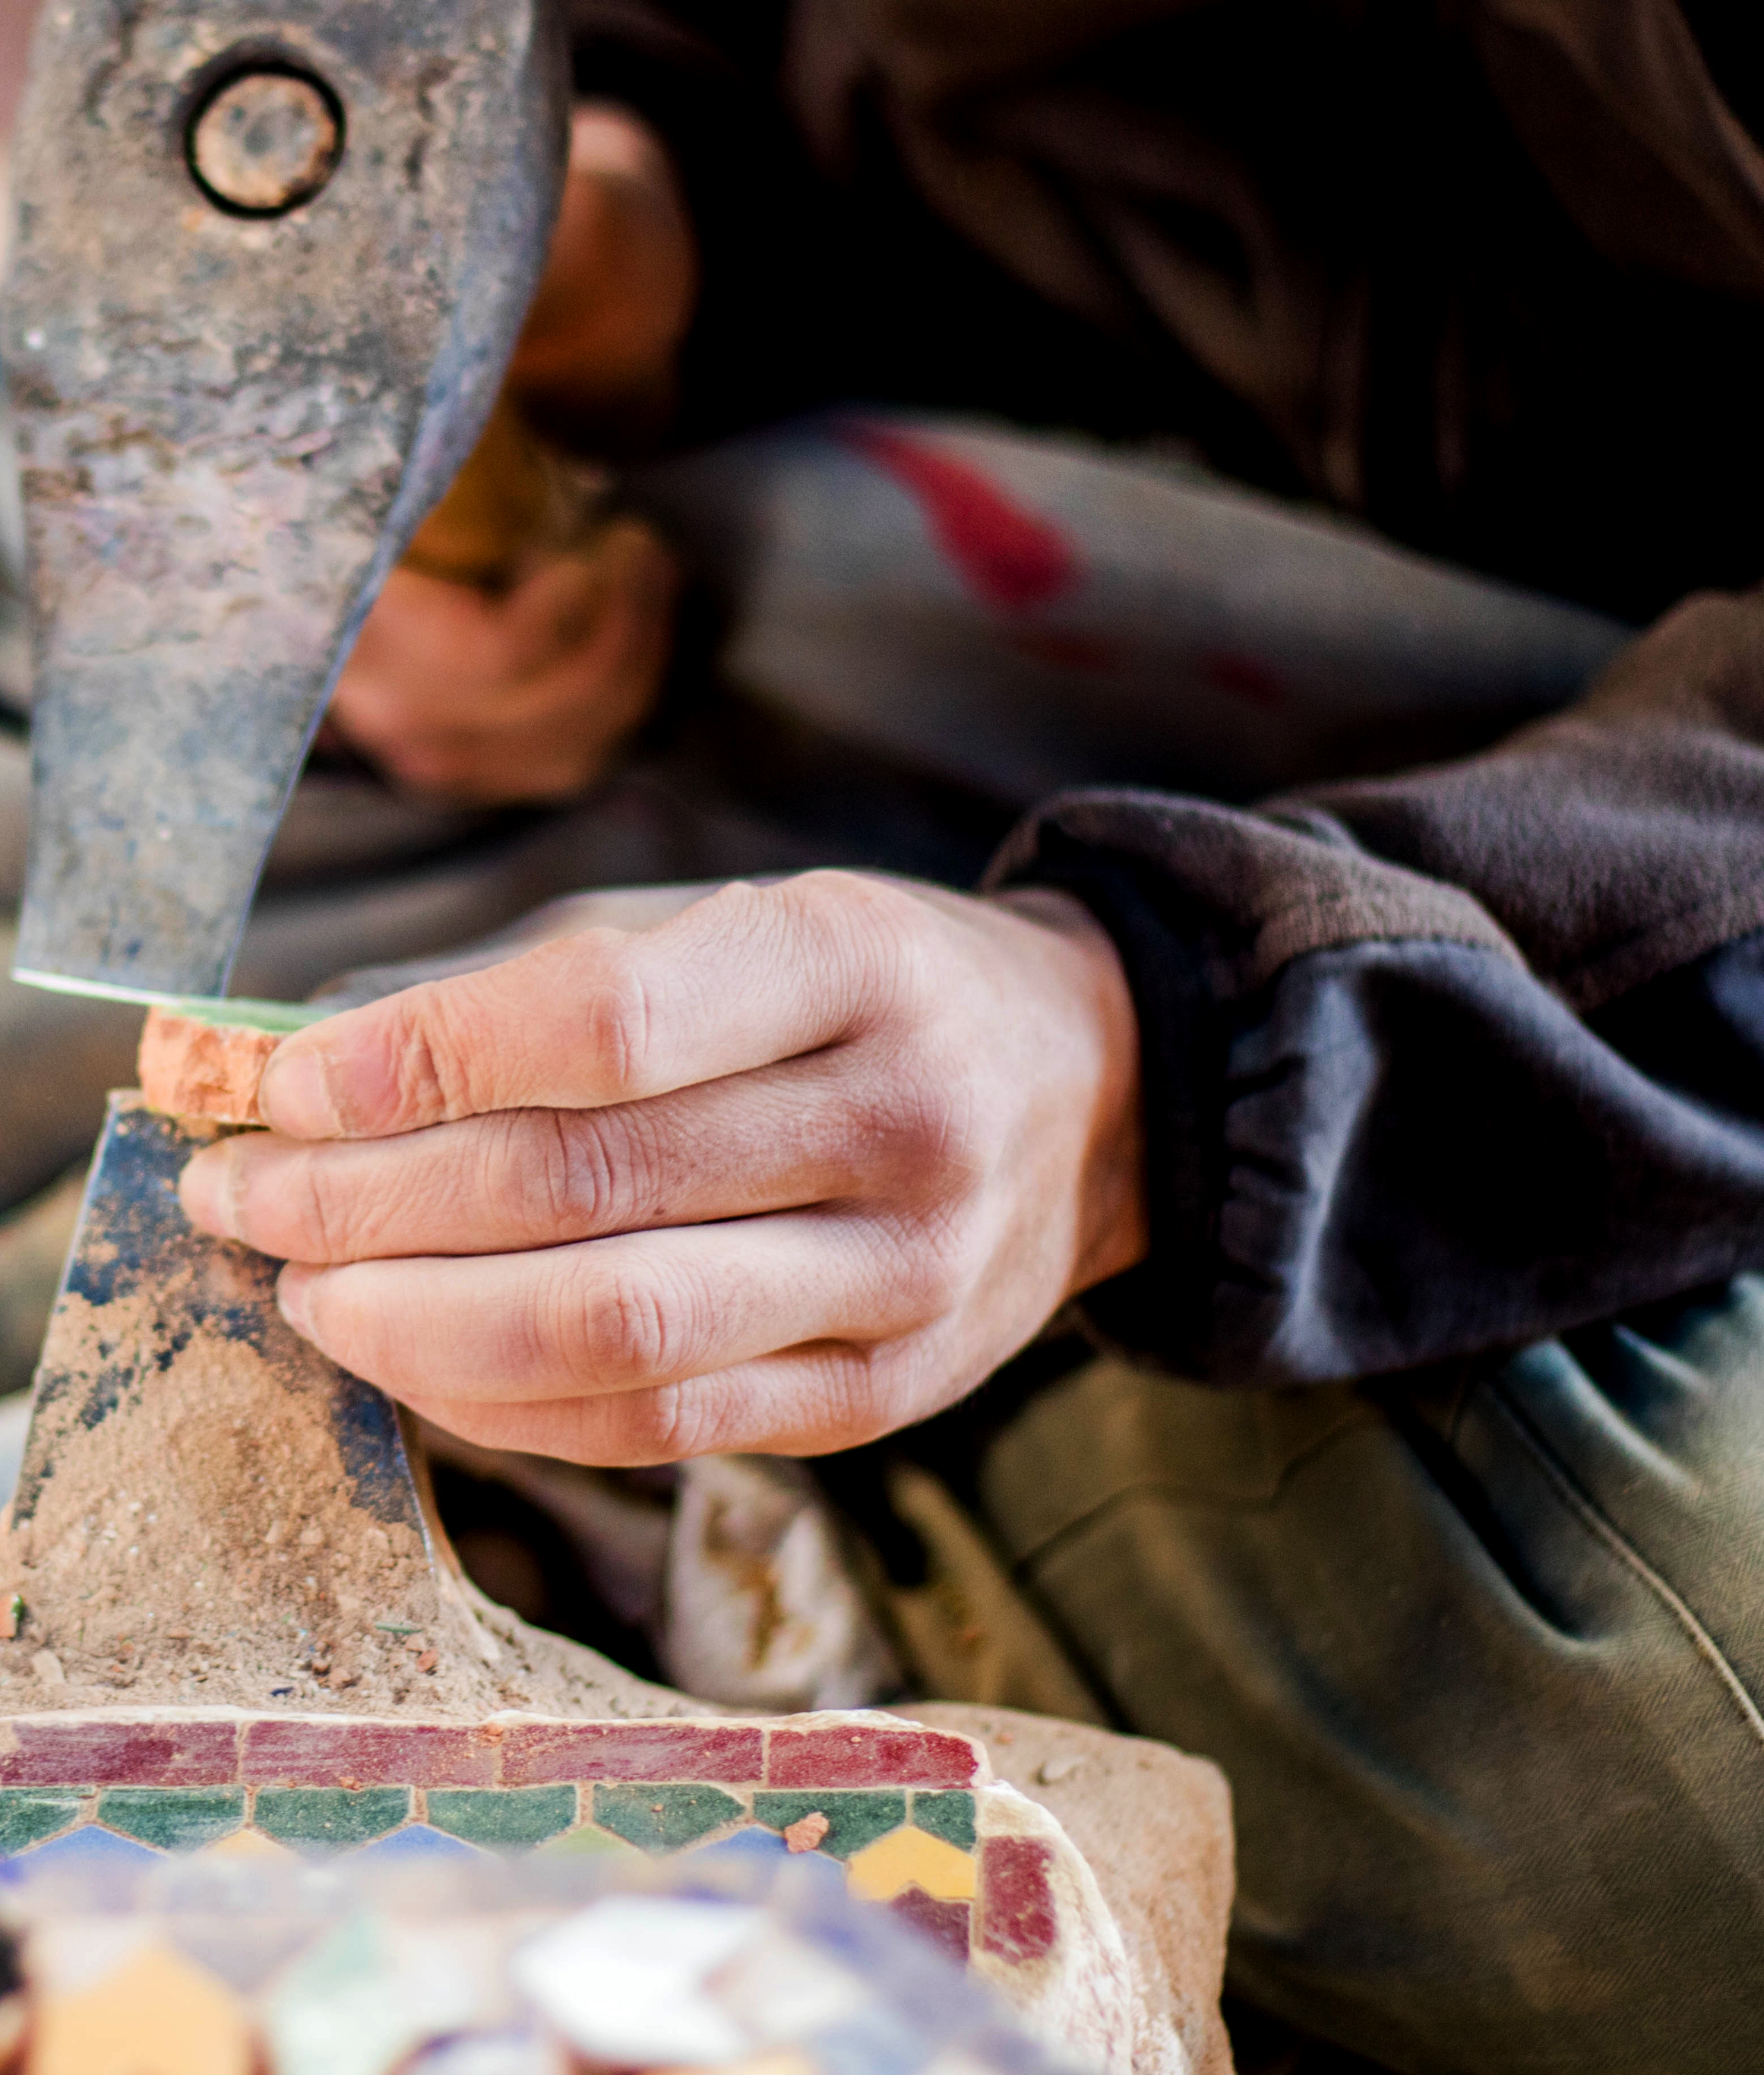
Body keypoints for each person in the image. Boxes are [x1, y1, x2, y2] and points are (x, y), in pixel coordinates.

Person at [177, 6, 1764, 2073]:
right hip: (1076, 593)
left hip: (1637, 892)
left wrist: (1164, 1054)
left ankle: (827, 1499)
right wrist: (642, 244)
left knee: (1671, 1778)